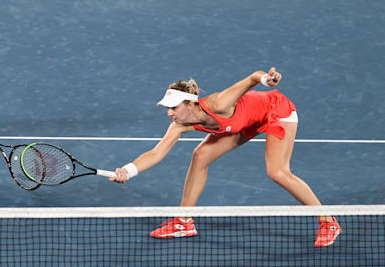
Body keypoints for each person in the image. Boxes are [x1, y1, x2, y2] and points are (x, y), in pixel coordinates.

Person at [110, 67, 341, 248]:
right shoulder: (179, 125)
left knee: (277, 172)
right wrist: (128, 171)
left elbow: (252, 78)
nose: (169, 113)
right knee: (200, 155)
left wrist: (266, 81)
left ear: (191, 104)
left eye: (174, 107)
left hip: (275, 111)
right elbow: (156, 153)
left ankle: (328, 221)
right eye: (167, 108)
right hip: (242, 124)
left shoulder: (220, 103)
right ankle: (184, 221)